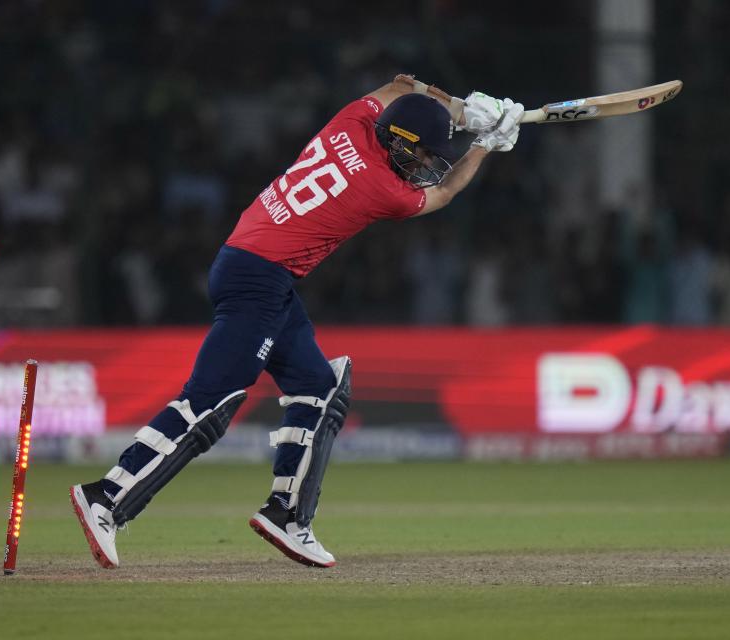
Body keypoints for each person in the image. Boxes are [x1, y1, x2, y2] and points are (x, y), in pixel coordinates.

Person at [70, 75, 523, 569]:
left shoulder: (348, 123)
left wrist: (459, 109)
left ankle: (287, 514)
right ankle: (107, 498)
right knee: (209, 403)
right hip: (259, 279)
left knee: (319, 387)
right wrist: (485, 142)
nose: (420, 171)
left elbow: (400, 86)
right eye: (418, 159)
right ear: (398, 141)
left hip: (254, 268)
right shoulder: (382, 190)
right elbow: (445, 195)